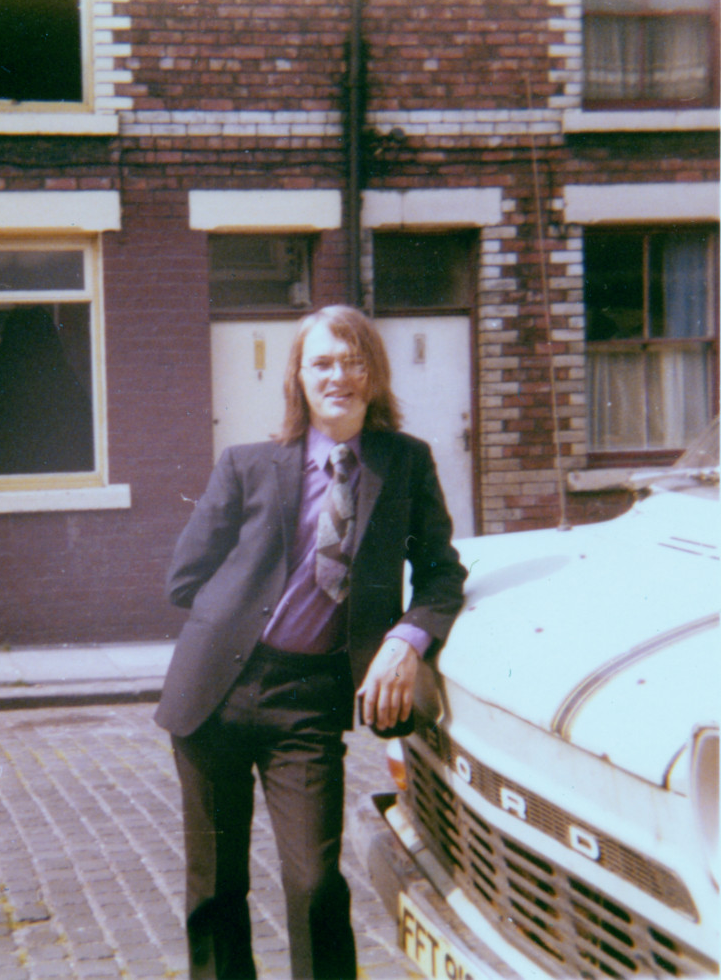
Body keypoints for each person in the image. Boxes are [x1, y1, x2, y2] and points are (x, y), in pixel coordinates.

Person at [154, 304, 467, 980]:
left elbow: (443, 574)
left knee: (315, 883)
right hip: (214, 693)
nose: (339, 376)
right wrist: (243, 609)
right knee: (215, 887)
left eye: (353, 361)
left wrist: (406, 638)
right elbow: (184, 579)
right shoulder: (247, 464)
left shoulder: (406, 464)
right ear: (298, 376)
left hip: (309, 702)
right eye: (322, 362)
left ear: (374, 375)